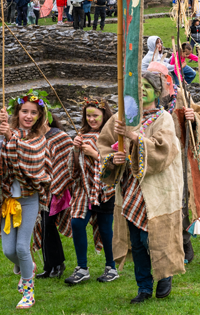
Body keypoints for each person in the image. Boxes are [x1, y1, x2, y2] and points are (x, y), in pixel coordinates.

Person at [97, 72, 196, 303]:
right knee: (136, 241)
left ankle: (164, 275)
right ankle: (143, 286)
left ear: (157, 90)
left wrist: (132, 137)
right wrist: (114, 159)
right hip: (130, 188)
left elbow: (164, 150)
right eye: (137, 85)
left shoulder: (164, 118)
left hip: (158, 188)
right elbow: (104, 145)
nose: (141, 89)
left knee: (151, 238)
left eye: (147, 85)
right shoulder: (123, 117)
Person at [0, 94, 53, 309]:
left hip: (28, 200)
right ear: (17, 113)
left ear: (39, 116)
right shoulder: (9, 134)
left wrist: (10, 138)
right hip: (8, 201)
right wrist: (1, 134)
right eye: (25, 111)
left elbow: (29, 160)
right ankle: (29, 267)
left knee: (22, 248)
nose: (29, 115)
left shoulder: (38, 138)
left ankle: (28, 291)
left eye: (34, 112)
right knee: (9, 251)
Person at [64, 98, 119, 285]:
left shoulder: (111, 135)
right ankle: (82, 268)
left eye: (95, 115)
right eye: (88, 115)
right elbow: (72, 169)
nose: (92, 119)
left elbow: (116, 163)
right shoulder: (81, 135)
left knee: (105, 229)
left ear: (104, 115)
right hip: (83, 189)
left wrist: (95, 154)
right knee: (77, 223)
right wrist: (75, 148)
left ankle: (111, 267)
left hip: (104, 188)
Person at [33, 110, 75, 283]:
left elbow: (69, 161)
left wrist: (59, 181)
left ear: (47, 119)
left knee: (48, 224)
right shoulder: (33, 138)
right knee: (43, 225)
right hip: (41, 188)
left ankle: (58, 264)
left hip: (58, 188)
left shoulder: (60, 137)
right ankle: (49, 266)